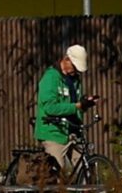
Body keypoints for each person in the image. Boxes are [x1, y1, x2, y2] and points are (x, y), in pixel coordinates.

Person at [34, 42, 89, 174]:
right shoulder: (51, 77)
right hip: (54, 132)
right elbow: (50, 108)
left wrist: (85, 104)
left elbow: (75, 105)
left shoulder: (75, 80)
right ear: (67, 60)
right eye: (75, 67)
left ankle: (85, 191)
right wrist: (76, 106)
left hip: (73, 131)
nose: (76, 71)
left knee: (85, 169)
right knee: (56, 176)